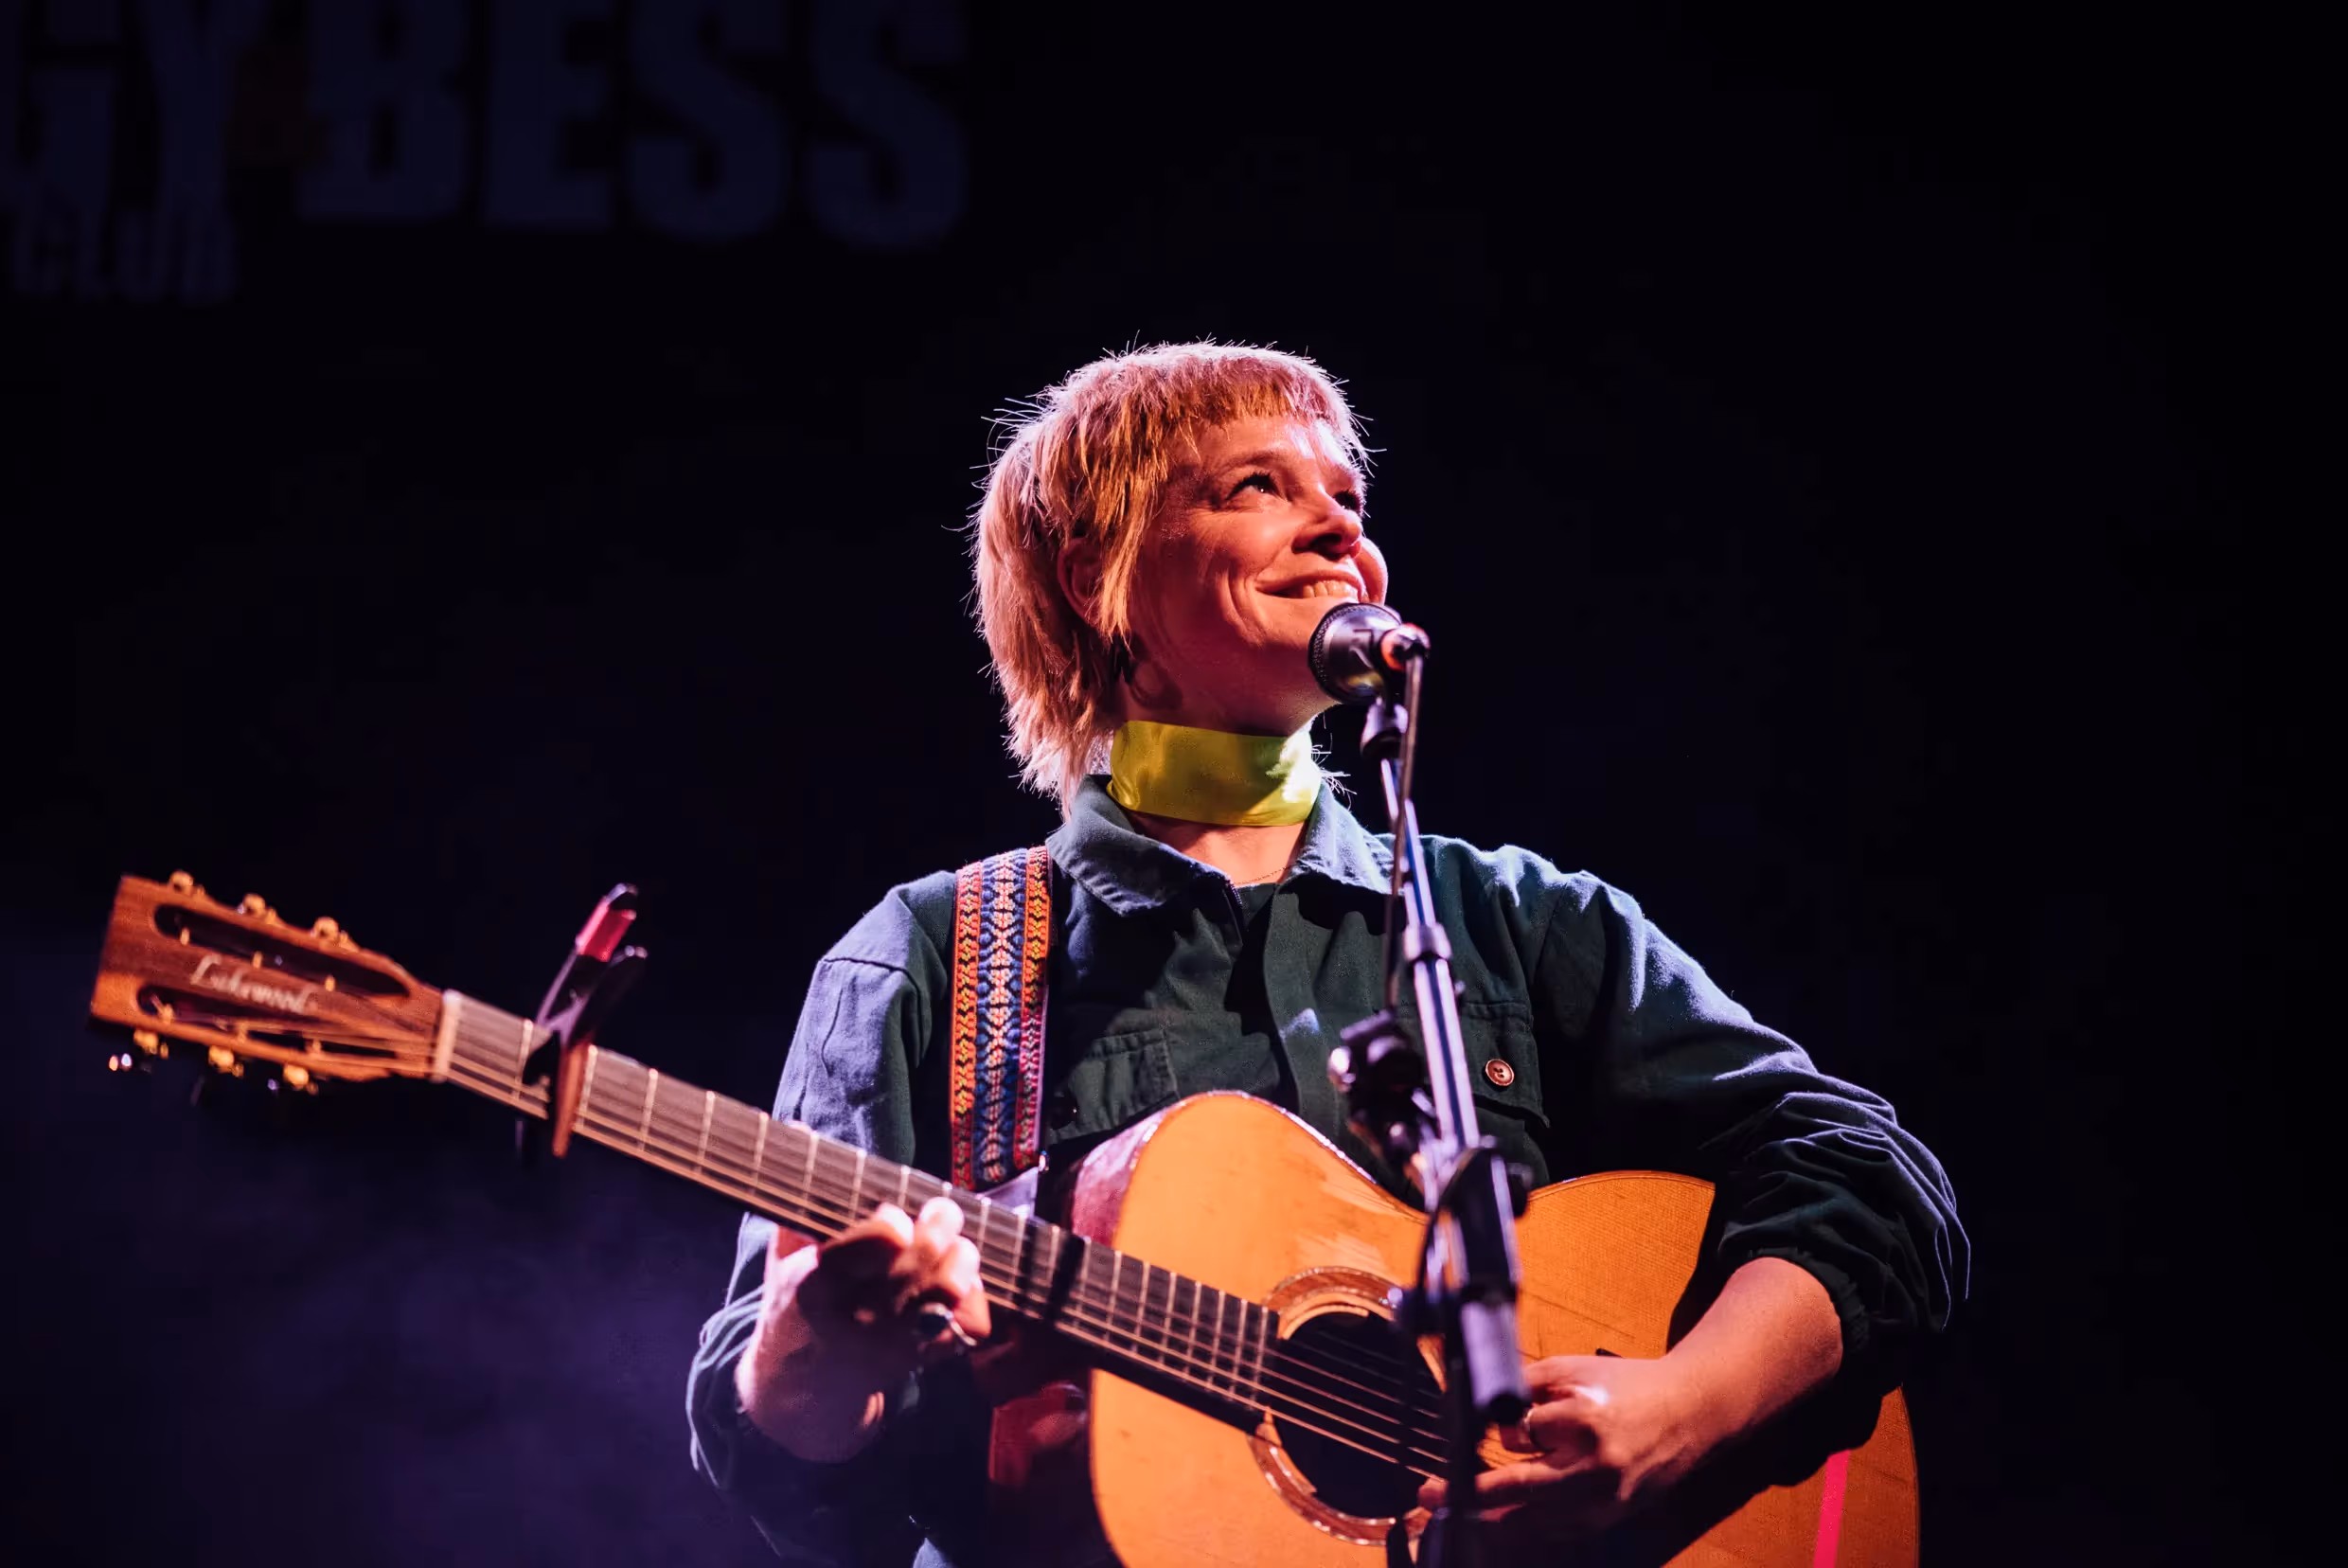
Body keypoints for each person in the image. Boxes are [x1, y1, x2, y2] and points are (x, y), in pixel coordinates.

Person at [685, 343, 1966, 1567]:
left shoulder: (1514, 921)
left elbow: (1872, 1179)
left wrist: (1688, 1406)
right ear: (1095, 577)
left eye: (1348, 497)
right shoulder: (933, 960)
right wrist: (812, 1362)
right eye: (1258, 487)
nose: (1340, 531)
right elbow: (811, 1501)